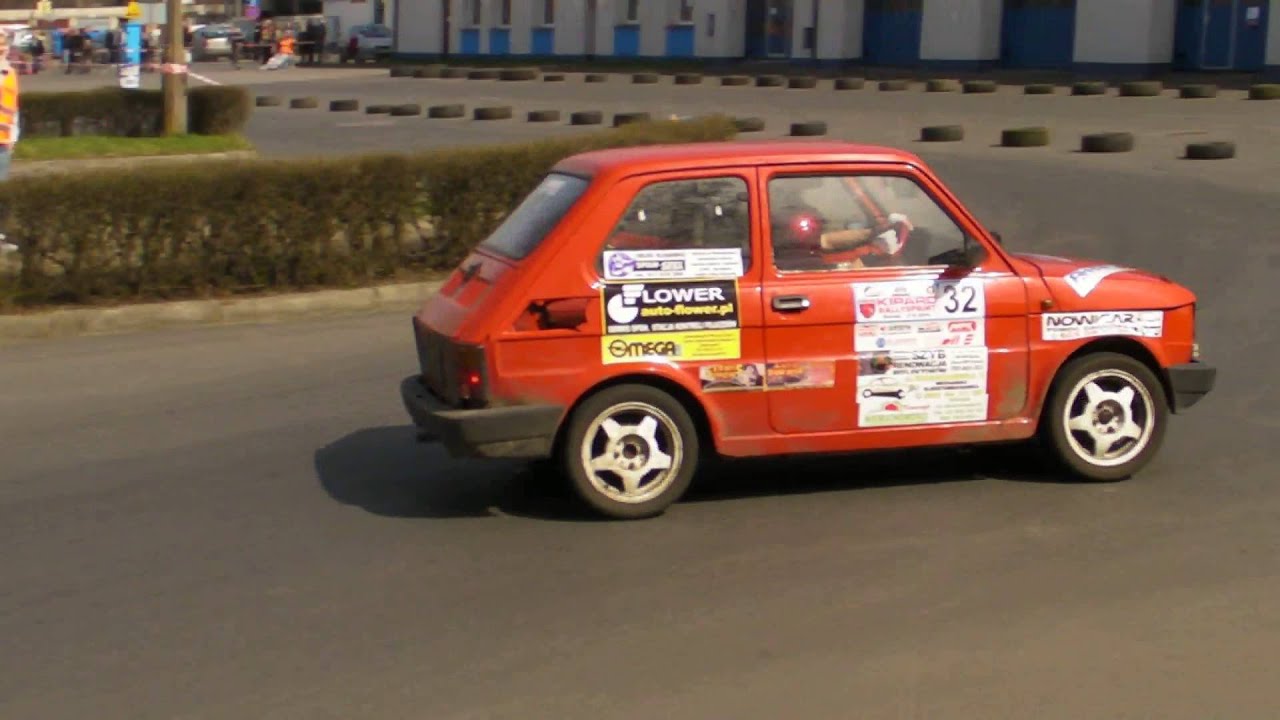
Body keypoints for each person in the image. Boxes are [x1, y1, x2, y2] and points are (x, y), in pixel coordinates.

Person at [0, 31, 20, 183]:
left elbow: (13, 106)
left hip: (3, 141)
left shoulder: (10, 73)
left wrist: (13, 135)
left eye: (3, 44)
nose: (2, 49)